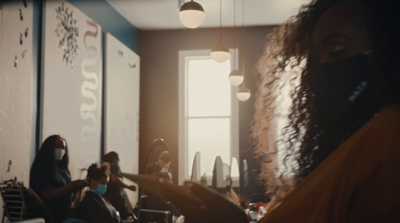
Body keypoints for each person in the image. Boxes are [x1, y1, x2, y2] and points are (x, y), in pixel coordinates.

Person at [148, 0, 400, 222]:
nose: (322, 67)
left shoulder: (387, 134)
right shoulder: (351, 144)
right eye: (314, 58)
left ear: (387, 46)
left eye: (336, 51)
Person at [30, 135, 89, 223]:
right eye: (57, 146)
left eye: (63, 147)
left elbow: (69, 196)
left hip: (67, 214)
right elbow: (48, 195)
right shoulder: (42, 168)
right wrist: (72, 185)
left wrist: (77, 189)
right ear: (49, 148)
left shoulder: (63, 169)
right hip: (53, 216)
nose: (61, 150)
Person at [102, 151, 136, 220]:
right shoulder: (114, 166)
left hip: (108, 201)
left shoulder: (105, 167)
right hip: (117, 200)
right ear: (114, 159)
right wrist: (128, 186)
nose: (119, 161)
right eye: (118, 159)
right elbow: (115, 178)